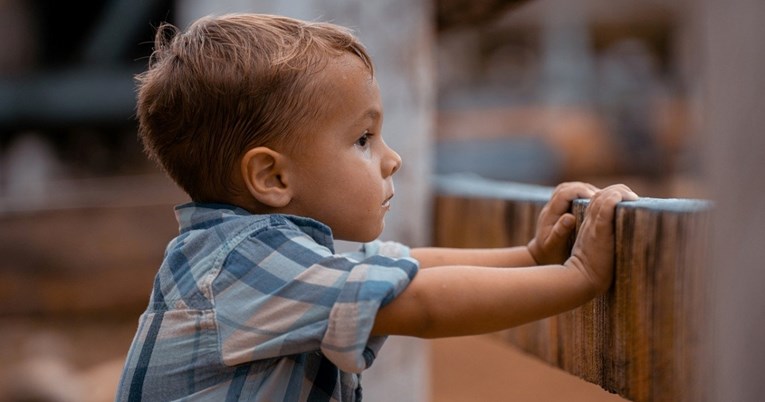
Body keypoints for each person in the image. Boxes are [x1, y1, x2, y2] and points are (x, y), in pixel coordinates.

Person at [116, 13, 638, 402]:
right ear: (272, 176)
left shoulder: (267, 256)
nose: (393, 159)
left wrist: (530, 257)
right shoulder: (243, 264)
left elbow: (409, 266)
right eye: (364, 139)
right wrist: (581, 277)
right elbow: (424, 302)